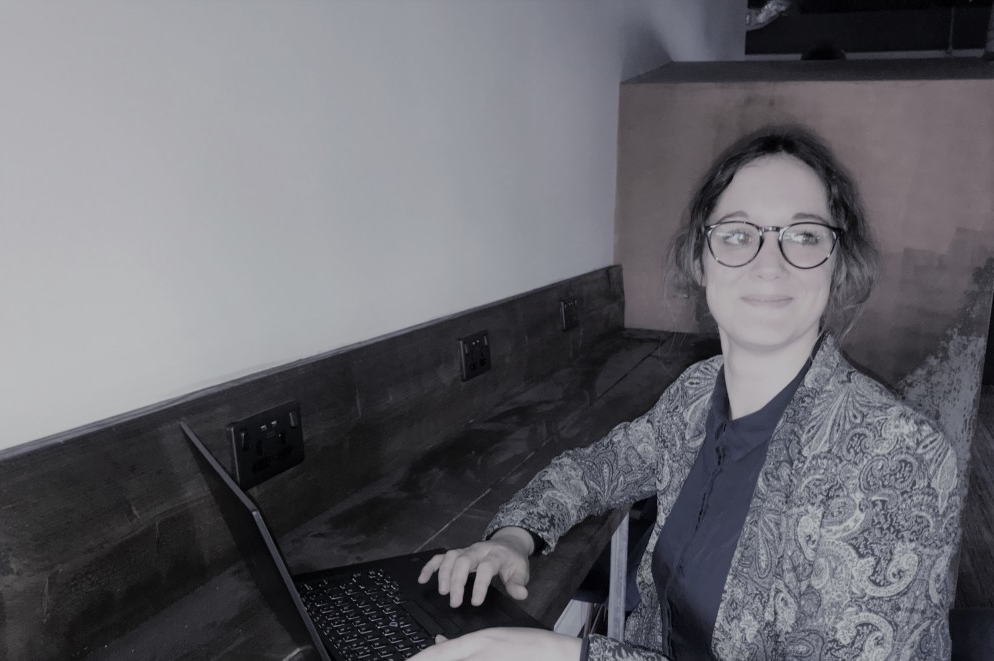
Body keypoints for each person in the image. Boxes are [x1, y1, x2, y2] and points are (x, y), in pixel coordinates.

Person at [409, 126, 964, 661]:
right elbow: (598, 468)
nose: (769, 264)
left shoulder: (899, 458)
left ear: (837, 263)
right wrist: (515, 537)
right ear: (700, 260)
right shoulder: (698, 393)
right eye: (738, 234)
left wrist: (570, 654)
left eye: (804, 235)